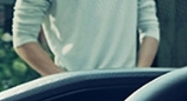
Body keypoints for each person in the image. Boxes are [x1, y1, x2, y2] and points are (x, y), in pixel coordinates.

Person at [12, 0, 160, 76]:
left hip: (126, 90)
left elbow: (150, 28)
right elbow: (23, 37)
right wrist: (65, 83)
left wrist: (138, 76)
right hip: (75, 92)